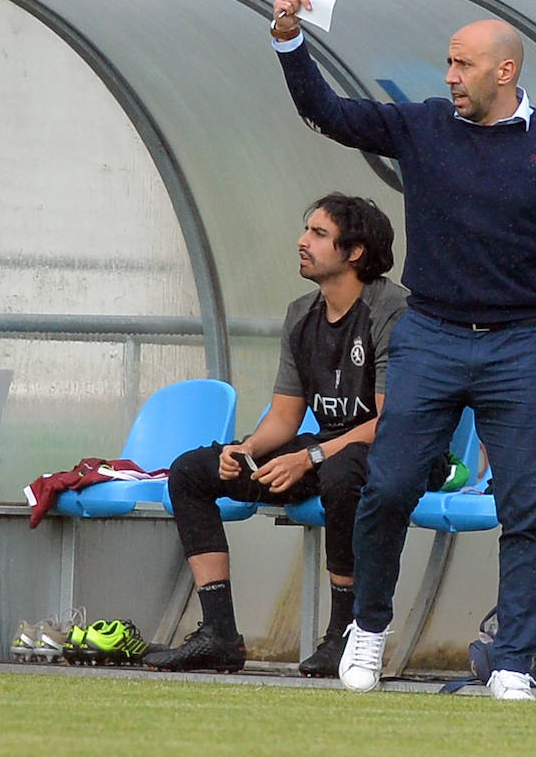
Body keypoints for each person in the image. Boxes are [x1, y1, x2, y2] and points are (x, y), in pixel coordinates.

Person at [269, 0, 536, 700]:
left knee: (526, 508)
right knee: (386, 487)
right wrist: (290, 41)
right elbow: (329, 115)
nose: (449, 77)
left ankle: (515, 662)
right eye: (447, 64)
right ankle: (368, 631)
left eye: (462, 65)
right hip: (428, 335)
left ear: (504, 72)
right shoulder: (423, 126)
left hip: (519, 345)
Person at [142, 193, 404, 676]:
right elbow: (285, 416)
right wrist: (245, 449)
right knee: (191, 471)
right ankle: (219, 634)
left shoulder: (392, 310)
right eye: (307, 231)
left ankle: (345, 633)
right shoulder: (301, 313)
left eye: (318, 234)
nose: (302, 242)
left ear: (355, 252)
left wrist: (311, 458)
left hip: (398, 454)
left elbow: (392, 420)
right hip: (327, 453)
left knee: (343, 473)